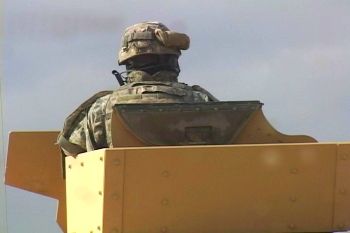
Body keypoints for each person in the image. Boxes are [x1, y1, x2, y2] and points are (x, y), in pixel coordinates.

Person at [58, 21, 217, 156]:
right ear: (173, 60)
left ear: (129, 62)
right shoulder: (202, 102)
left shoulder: (100, 108)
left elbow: (71, 151)